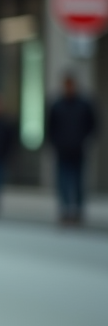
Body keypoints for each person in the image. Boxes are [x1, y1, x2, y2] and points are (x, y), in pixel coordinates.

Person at [46, 74, 97, 224]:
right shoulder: (57, 105)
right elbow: (50, 127)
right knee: (63, 182)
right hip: (62, 151)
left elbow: (92, 125)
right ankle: (65, 210)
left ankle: (78, 211)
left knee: (78, 182)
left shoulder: (84, 104)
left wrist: (84, 140)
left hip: (78, 150)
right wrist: (55, 143)